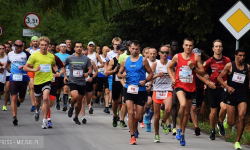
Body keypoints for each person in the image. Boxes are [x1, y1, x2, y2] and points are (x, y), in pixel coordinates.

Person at [167, 37, 205, 146]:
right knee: (182, 105)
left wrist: (193, 68)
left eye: (190, 45)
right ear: (183, 46)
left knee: (186, 112)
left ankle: (182, 134)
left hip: (191, 87)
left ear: (193, 47)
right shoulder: (177, 56)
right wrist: (173, 79)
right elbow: (169, 68)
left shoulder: (196, 57)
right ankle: (179, 128)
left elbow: (202, 72)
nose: (188, 47)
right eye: (186, 45)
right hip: (179, 85)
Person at [117, 40, 153, 145]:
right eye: (133, 48)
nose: (134, 51)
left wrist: (145, 81)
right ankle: (132, 136)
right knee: (131, 112)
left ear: (139, 50)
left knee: (139, 116)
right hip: (129, 89)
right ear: (129, 49)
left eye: (137, 49)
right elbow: (118, 74)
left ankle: (135, 128)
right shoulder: (125, 61)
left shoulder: (144, 61)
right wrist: (122, 76)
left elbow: (150, 73)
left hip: (140, 90)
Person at [24, 36, 61, 129]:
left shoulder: (51, 56)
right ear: (39, 45)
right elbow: (25, 67)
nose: (44, 47)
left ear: (49, 46)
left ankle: (45, 120)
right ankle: (37, 111)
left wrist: (57, 72)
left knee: (45, 98)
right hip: (37, 81)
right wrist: (34, 69)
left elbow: (54, 65)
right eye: (42, 45)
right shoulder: (34, 55)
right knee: (37, 102)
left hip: (48, 80)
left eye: (46, 45)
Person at [197, 39, 230, 140]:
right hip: (213, 88)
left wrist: (227, 82)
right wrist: (207, 82)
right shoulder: (209, 61)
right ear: (213, 48)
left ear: (222, 48)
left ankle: (220, 123)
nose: (218, 48)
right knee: (214, 111)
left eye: (220, 46)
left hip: (223, 88)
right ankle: (212, 130)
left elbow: (230, 72)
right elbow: (199, 73)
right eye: (216, 46)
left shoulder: (227, 60)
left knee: (224, 107)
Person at [217, 49, 248, 150]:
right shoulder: (230, 66)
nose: (242, 58)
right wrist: (228, 87)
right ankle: (226, 119)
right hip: (231, 94)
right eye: (240, 55)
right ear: (236, 56)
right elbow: (219, 78)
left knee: (242, 117)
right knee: (231, 123)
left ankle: (237, 142)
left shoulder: (247, 67)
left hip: (242, 95)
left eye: (243, 56)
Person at [1, 40, 31, 125]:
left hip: (23, 78)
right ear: (14, 46)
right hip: (13, 78)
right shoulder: (10, 54)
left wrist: (24, 66)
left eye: (21, 46)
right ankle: (14, 117)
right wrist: (3, 68)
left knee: (21, 99)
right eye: (17, 46)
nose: (19, 48)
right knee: (13, 97)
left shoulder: (26, 54)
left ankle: (19, 99)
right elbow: (8, 63)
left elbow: (32, 64)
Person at [65, 42, 92, 125]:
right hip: (73, 81)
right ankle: (71, 106)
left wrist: (87, 74)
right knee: (75, 96)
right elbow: (63, 65)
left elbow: (90, 69)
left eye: (80, 47)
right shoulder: (69, 58)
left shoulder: (86, 59)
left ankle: (76, 117)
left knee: (80, 101)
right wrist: (65, 76)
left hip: (82, 82)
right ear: (74, 48)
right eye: (77, 47)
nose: (79, 48)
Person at [150, 45, 173, 142]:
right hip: (157, 91)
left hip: (168, 90)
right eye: (163, 52)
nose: (164, 54)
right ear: (159, 53)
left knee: (168, 109)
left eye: (167, 53)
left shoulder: (171, 63)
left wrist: (174, 80)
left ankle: (163, 122)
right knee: (156, 116)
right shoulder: (156, 64)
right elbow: (149, 77)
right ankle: (156, 134)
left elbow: (174, 73)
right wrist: (157, 75)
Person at [106, 44, 127, 127]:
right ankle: (115, 116)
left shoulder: (127, 60)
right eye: (121, 50)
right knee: (115, 101)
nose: (122, 52)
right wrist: (114, 70)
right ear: (117, 51)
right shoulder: (113, 60)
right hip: (116, 82)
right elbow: (107, 72)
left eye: (123, 50)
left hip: (125, 82)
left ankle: (122, 120)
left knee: (124, 101)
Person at [190, 48, 209, 136]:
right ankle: (196, 127)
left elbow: (207, 74)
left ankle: (192, 116)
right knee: (193, 108)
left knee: (199, 110)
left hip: (201, 89)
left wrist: (207, 80)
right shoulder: (189, 64)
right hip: (192, 88)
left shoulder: (205, 64)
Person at [80, 47, 98, 124]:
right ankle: (83, 117)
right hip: (80, 82)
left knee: (88, 100)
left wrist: (92, 77)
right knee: (82, 100)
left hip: (89, 82)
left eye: (85, 54)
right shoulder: (78, 62)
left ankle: (89, 106)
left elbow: (96, 71)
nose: (84, 55)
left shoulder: (91, 62)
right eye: (82, 54)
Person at [144, 47, 157, 132]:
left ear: (156, 54)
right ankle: (145, 114)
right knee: (148, 102)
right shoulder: (144, 62)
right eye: (150, 54)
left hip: (156, 86)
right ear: (147, 54)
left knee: (153, 106)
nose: (152, 55)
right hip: (146, 85)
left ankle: (148, 122)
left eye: (154, 54)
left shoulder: (158, 62)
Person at [105, 37, 122, 108]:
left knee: (121, 95)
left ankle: (118, 104)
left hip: (121, 76)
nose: (117, 46)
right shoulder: (109, 53)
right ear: (113, 45)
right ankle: (110, 104)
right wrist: (106, 71)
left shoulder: (123, 53)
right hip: (112, 75)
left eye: (118, 44)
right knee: (110, 91)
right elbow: (106, 63)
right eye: (115, 44)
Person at [26, 36, 41, 112]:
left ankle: (38, 102)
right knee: (32, 86)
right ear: (31, 42)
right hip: (31, 70)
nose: (35, 42)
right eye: (34, 41)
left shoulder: (41, 50)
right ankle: (33, 104)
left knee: (38, 86)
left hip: (39, 70)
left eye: (36, 41)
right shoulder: (28, 50)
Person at [55, 43, 70, 111]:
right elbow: (53, 65)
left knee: (66, 88)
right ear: (59, 48)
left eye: (65, 47)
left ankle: (65, 104)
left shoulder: (69, 56)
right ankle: (57, 101)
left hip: (66, 75)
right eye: (62, 47)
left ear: (66, 48)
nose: (63, 48)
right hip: (58, 74)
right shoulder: (56, 55)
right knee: (58, 90)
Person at [169, 40, 179, 136]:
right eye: (173, 45)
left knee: (174, 103)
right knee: (166, 106)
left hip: (175, 82)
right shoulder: (167, 56)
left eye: (176, 45)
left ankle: (174, 127)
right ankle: (166, 120)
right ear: (170, 46)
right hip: (165, 82)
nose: (175, 47)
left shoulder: (178, 56)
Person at [96, 46, 110, 113]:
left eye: (108, 51)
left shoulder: (110, 58)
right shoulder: (99, 57)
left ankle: (106, 107)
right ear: (102, 50)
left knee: (107, 91)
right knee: (100, 92)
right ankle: (98, 96)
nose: (107, 52)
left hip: (107, 76)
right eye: (106, 51)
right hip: (100, 76)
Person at [0, 44, 8, 111]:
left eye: (3, 48)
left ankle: (4, 105)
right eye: (0, 49)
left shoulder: (7, 57)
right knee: (1, 91)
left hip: (6, 75)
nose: (1, 50)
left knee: (7, 90)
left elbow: (9, 68)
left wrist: (3, 66)